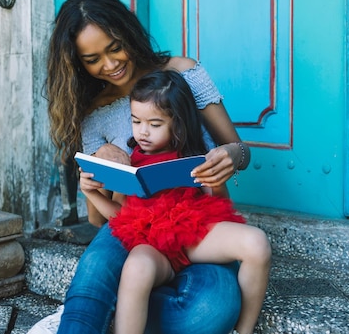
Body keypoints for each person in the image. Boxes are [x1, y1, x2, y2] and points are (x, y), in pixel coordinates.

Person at [45, 0, 257, 334]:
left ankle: (118, 310)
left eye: (115, 48)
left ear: (129, 33)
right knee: (95, 268)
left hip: (196, 221)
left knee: (208, 313)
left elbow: (238, 149)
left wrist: (233, 155)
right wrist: (98, 174)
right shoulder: (93, 115)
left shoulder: (184, 73)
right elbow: (100, 220)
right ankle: (90, 316)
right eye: (92, 58)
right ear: (76, 62)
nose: (110, 65)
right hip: (133, 225)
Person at [80, 70, 271, 334]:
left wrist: (213, 181)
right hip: (152, 246)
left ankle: (244, 331)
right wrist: (91, 193)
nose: (143, 132)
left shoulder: (196, 155)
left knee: (257, 243)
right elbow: (120, 217)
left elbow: (220, 208)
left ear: (178, 122)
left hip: (192, 235)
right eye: (136, 121)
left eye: (155, 124)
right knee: (136, 268)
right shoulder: (129, 161)